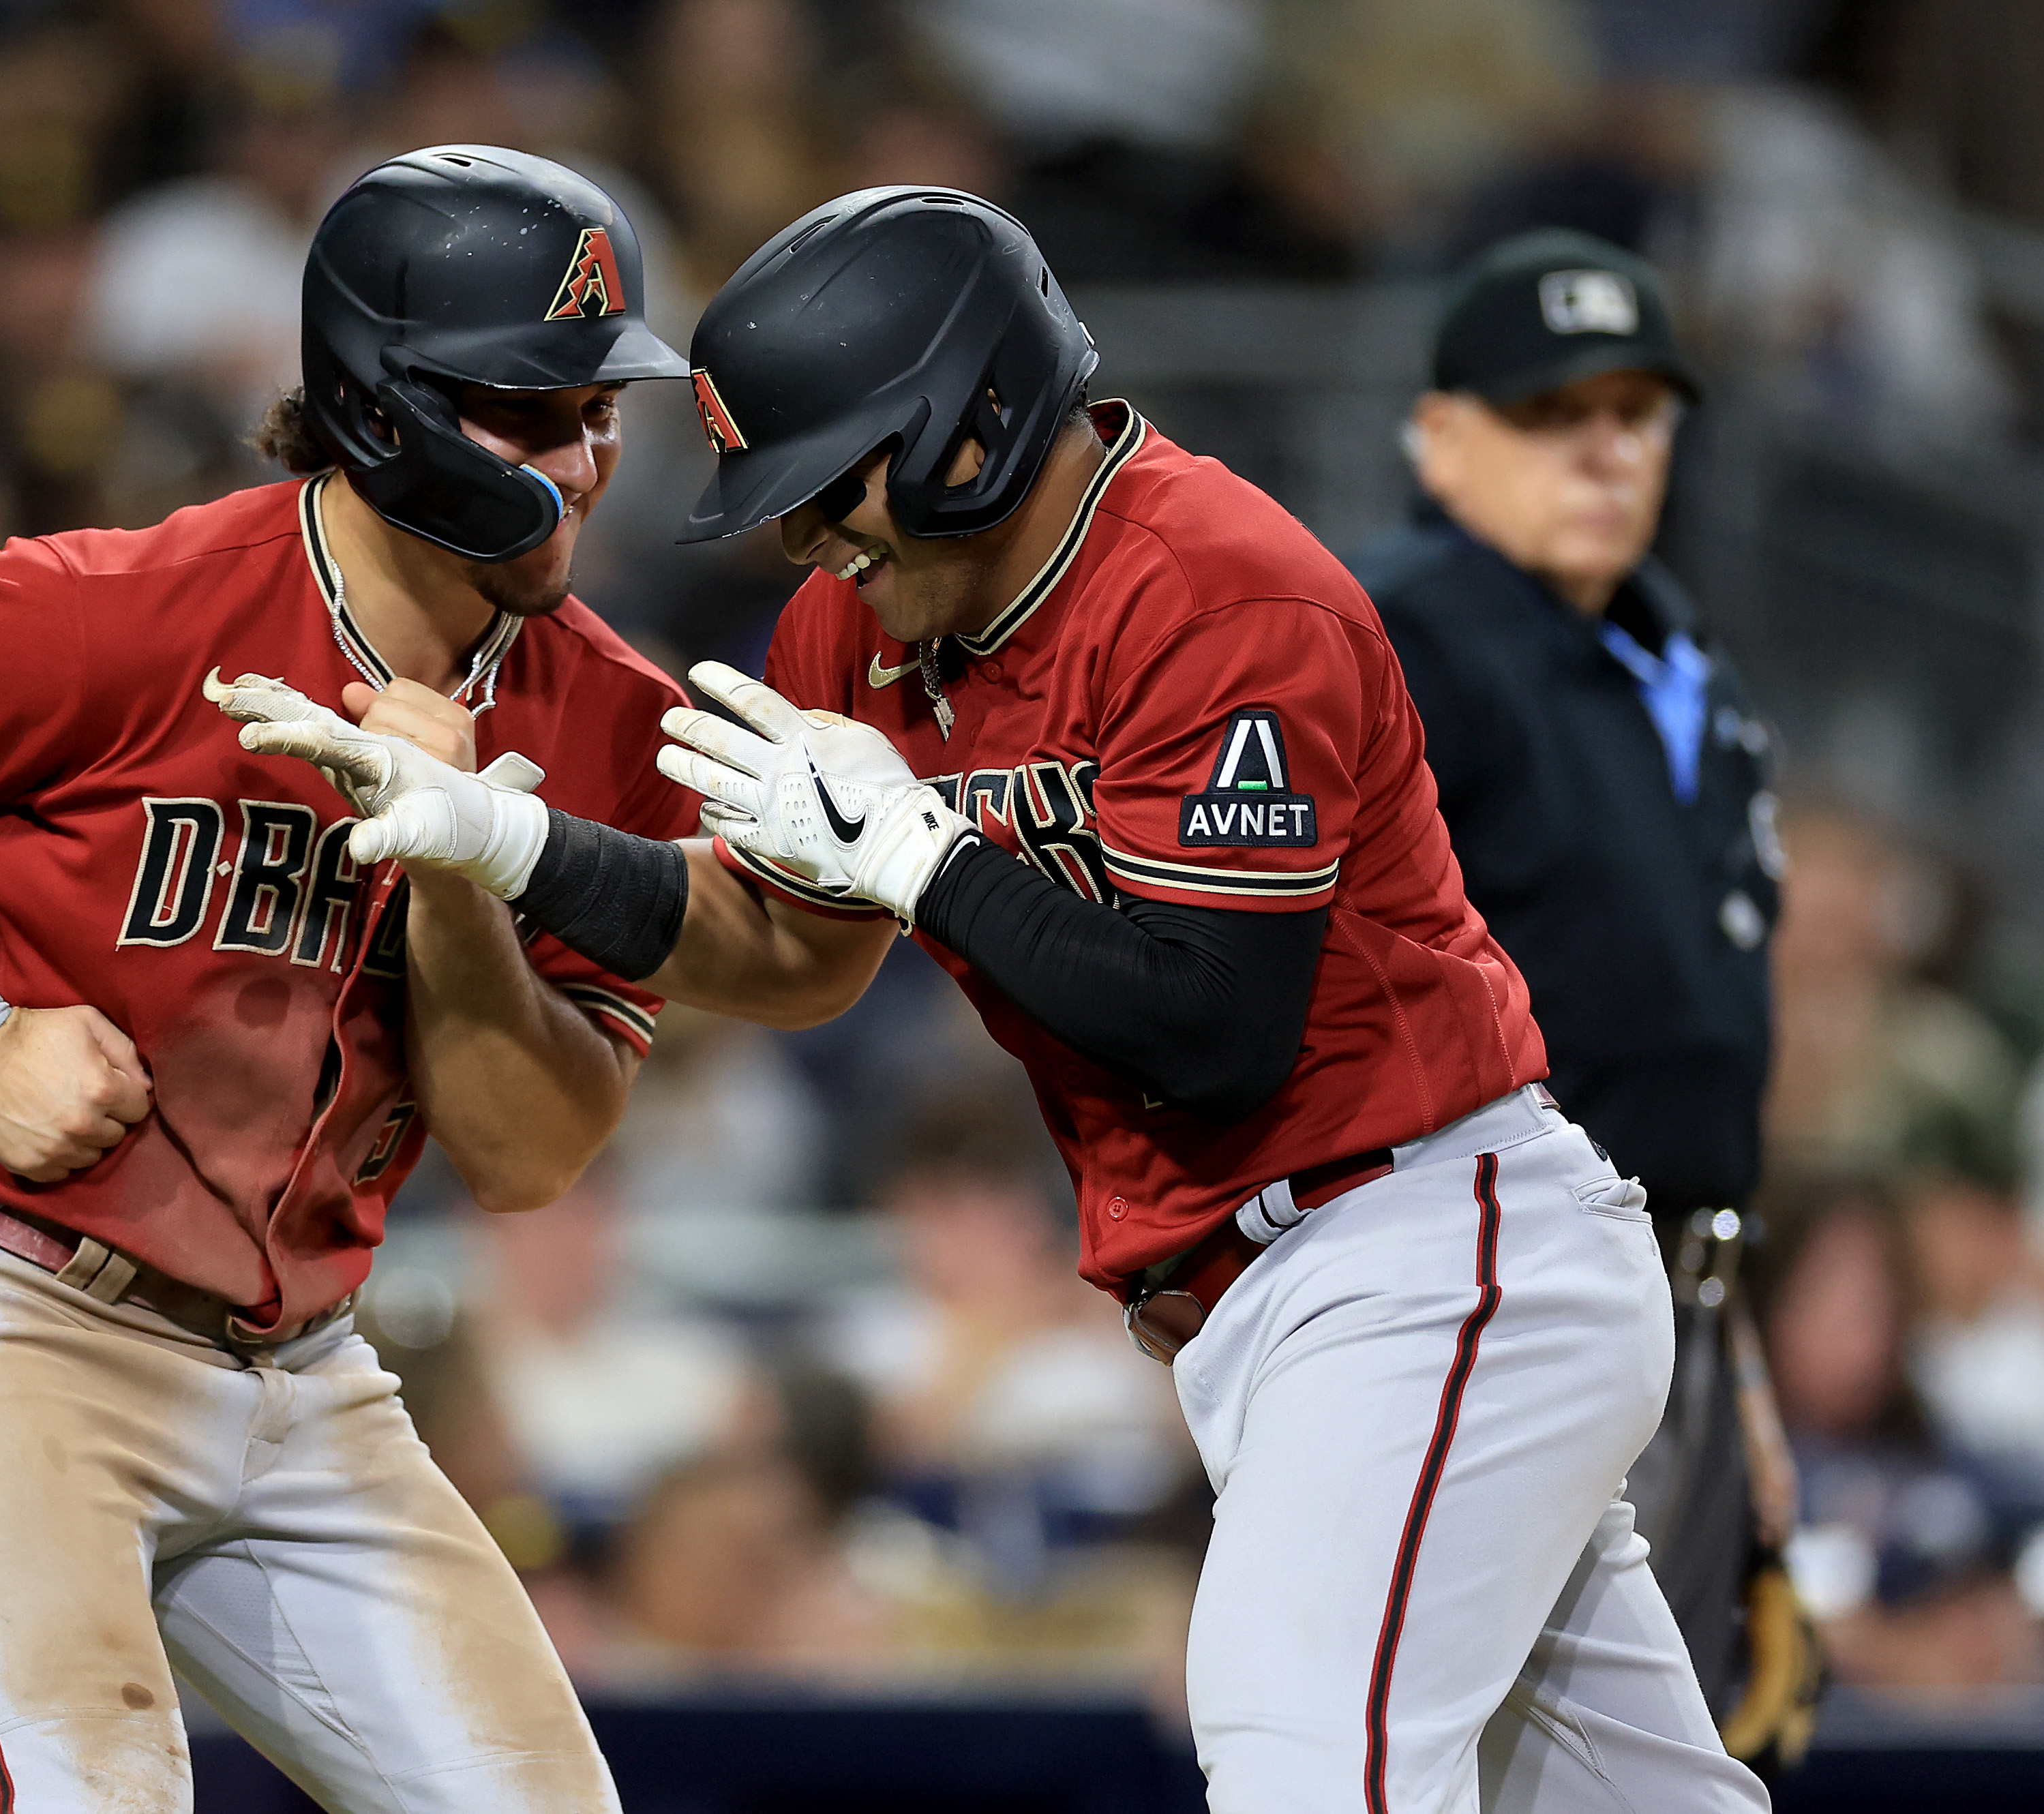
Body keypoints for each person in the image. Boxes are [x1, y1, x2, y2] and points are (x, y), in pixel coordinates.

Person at [223, 188, 1768, 1812]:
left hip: (1425, 1244)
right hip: (1286, 1290)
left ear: (970, 426)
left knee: (1307, 1757)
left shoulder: (1224, 589)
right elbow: (784, 937)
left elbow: (1213, 1029)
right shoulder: (867, 618)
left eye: (832, 490)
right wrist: (518, 844)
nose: (809, 543)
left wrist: (925, 850)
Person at [0, 145, 698, 1813]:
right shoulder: (129, 611)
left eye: (603, 409)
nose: (585, 461)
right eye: (537, 411)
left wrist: (455, 866)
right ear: (385, 404)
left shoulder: (606, 722)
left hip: (310, 1375)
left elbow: (528, 1156)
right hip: (5, 1313)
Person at [1347, 228, 1816, 1772]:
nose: (1607, 448)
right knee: (1462, 1745)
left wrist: (1728, 1342)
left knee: (1641, 1748)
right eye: (1556, 413)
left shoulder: (1670, 646)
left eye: (1638, 412)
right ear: (1440, 436)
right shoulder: (1403, 632)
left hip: (1674, 1280)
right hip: (1491, 1283)